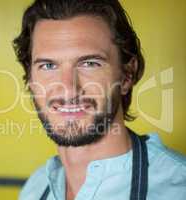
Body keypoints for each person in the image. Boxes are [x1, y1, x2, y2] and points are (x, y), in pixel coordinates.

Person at [12, 0, 186, 199]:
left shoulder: (178, 188)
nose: (68, 90)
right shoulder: (35, 188)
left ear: (127, 75)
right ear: (31, 80)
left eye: (89, 63)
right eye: (48, 66)